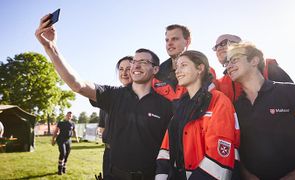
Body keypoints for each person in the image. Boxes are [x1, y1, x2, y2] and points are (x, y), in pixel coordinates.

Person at [35, 14, 173, 180]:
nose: (135, 65)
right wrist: (51, 47)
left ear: (155, 70)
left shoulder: (166, 106)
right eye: (134, 61)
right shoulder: (113, 95)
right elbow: (77, 84)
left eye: (143, 61)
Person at [226, 42, 295, 179]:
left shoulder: (293, 92)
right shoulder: (233, 108)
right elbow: (236, 149)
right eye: (227, 63)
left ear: (254, 60)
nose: (228, 66)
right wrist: (247, 175)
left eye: (234, 60)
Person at [156, 50, 240, 180]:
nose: (177, 71)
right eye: (177, 67)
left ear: (200, 68)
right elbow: (165, 149)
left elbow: (219, 155)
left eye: (183, 65)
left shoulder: (218, 101)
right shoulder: (179, 106)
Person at [213, 34, 293, 103]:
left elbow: (292, 98)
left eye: (223, 43)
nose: (219, 48)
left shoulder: (269, 69)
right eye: (216, 47)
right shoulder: (219, 83)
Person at [97, 56, 133, 179]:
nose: (124, 73)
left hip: (131, 155)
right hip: (109, 154)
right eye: (121, 69)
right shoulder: (109, 98)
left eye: (128, 68)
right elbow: (102, 128)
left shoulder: (143, 98)